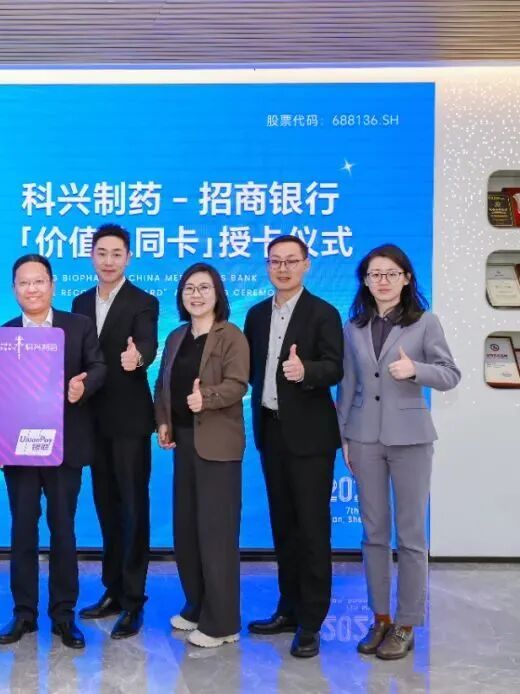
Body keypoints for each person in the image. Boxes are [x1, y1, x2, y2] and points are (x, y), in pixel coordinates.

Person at [337, 244, 460, 660]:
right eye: (375, 274)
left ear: (406, 278)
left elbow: (450, 374)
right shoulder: (354, 326)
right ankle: (380, 618)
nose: (383, 281)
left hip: (411, 439)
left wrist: (415, 371)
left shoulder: (425, 322)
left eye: (391, 273)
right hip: (364, 438)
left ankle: (406, 624)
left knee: (410, 536)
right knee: (373, 534)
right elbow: (348, 385)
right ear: (365, 281)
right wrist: (344, 438)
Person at [0, 254, 106, 650]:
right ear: (14, 290)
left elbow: (99, 367)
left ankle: (64, 615)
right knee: (22, 530)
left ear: (52, 285)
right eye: (24, 283)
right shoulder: (4, 334)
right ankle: (24, 613)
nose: (32, 289)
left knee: (63, 529)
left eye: (39, 281)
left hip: (64, 448)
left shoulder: (78, 325)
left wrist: (82, 387)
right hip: (18, 451)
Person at [243, 235, 344, 659]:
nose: (282, 268)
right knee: (283, 526)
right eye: (275, 261)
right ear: (267, 266)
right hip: (271, 431)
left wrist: (307, 372)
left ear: (306, 264)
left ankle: (311, 621)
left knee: (312, 529)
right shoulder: (256, 314)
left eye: (291, 261)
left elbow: (336, 367)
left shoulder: (324, 312)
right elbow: (249, 370)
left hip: (311, 437)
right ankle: (288, 608)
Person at [153, 263, 249, 648]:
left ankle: (223, 623)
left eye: (204, 288)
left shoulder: (231, 336)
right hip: (184, 444)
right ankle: (197, 606)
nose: (196, 295)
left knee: (216, 534)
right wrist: (163, 421)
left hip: (218, 447)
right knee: (188, 530)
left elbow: (237, 385)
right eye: (189, 288)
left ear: (217, 293)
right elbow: (162, 384)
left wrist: (204, 398)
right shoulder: (176, 336)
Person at [72, 224, 159, 639]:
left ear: (128, 258)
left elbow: (148, 345)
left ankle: (134, 599)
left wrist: (137, 358)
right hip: (91, 421)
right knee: (106, 507)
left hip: (129, 421)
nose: (108, 261)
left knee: (133, 509)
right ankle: (113, 589)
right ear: (92, 256)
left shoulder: (144, 301)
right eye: (101, 253)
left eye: (116, 254)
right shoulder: (79, 302)